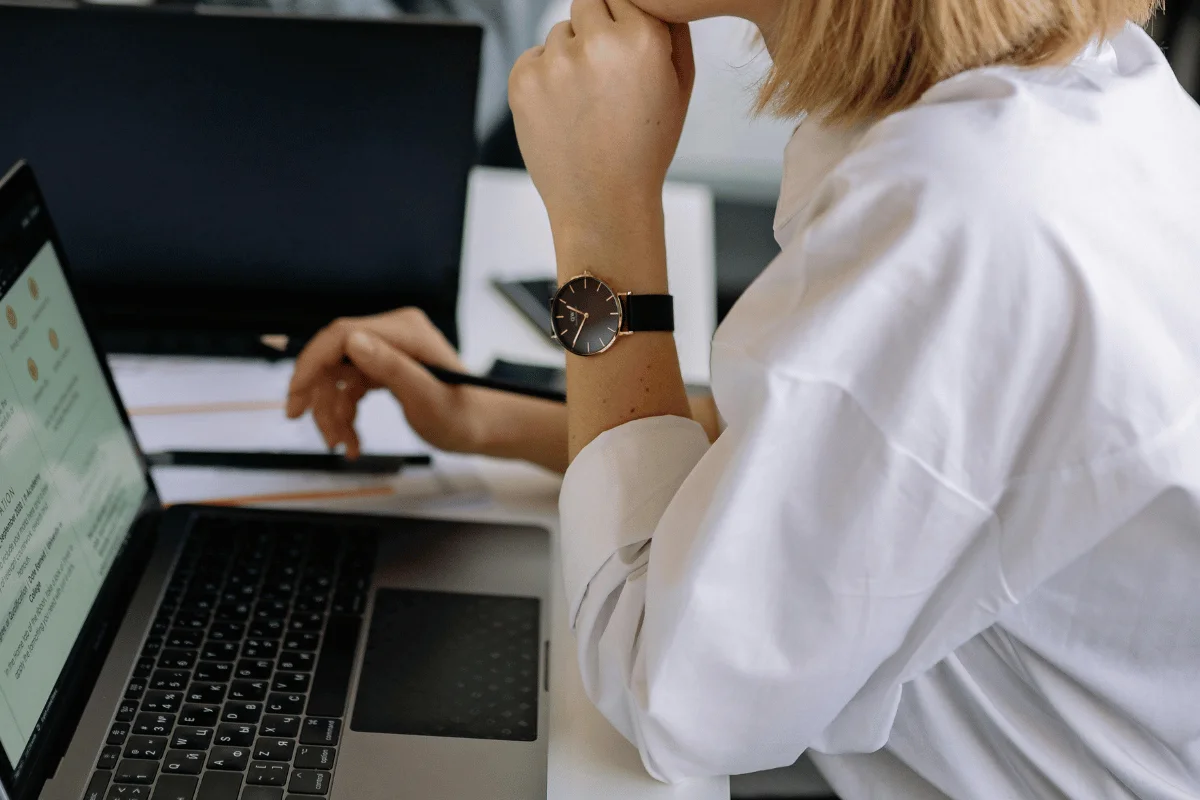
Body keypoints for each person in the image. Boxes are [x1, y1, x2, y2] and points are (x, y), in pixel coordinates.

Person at [286, 0, 1200, 794]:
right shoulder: (1058, 98)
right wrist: (489, 420)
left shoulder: (964, 213)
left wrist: (603, 217)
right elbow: (822, 461)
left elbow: (675, 699)